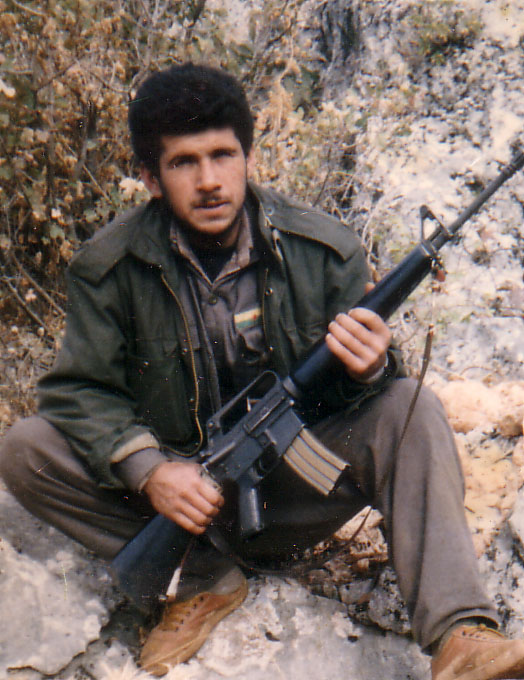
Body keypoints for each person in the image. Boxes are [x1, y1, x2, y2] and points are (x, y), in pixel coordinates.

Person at [1, 63, 523, 680]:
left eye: (223, 155)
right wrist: (150, 470)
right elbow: (78, 392)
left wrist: (372, 367)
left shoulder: (323, 248)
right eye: (184, 162)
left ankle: (461, 635)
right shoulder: (108, 268)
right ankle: (203, 580)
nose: (209, 181)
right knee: (24, 447)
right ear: (150, 178)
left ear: (249, 157)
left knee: (413, 408)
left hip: (296, 492)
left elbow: (374, 401)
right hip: (177, 503)